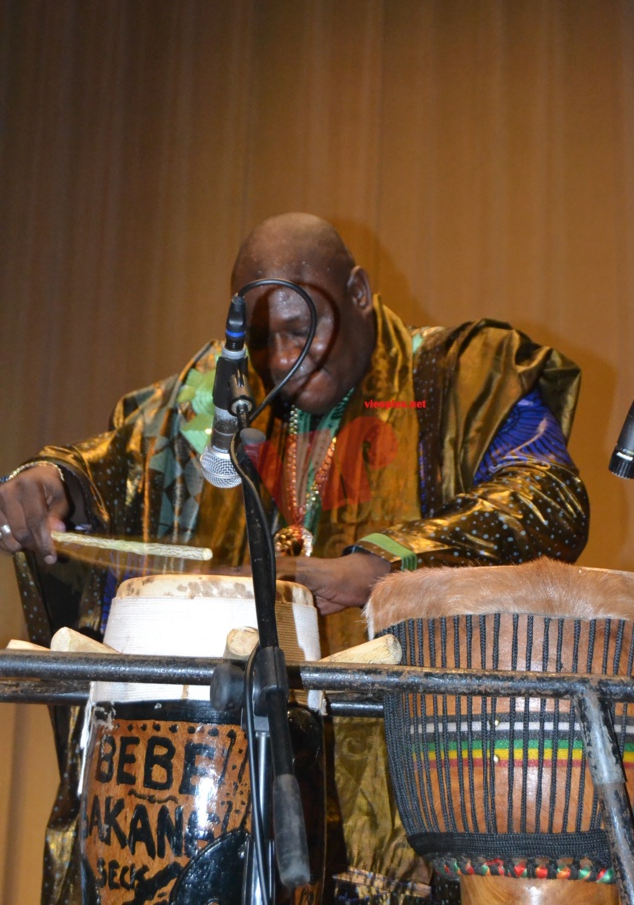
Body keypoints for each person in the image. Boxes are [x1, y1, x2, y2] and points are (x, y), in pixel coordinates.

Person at [0, 213, 589, 904]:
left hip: (413, 802)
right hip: (225, 798)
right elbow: (116, 469)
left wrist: (388, 562)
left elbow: (546, 494)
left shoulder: (458, 377)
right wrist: (51, 483)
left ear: (361, 292)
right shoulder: (218, 403)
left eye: (301, 326)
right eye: (261, 339)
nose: (281, 359)